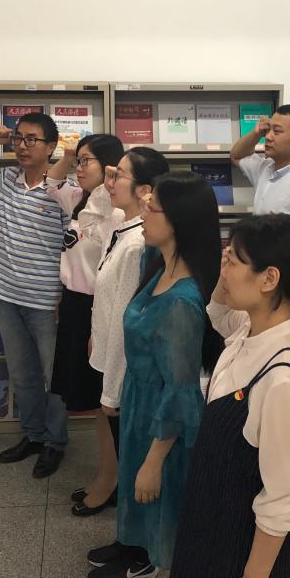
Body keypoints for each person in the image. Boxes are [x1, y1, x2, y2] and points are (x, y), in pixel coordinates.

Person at [166, 214, 290, 578]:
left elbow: (282, 495)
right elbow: (217, 311)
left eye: (232, 260)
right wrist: (229, 266)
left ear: (269, 279)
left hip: (244, 548)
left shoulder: (284, 378)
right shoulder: (249, 328)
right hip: (213, 519)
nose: (224, 268)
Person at [87, 172, 221, 578]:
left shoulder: (182, 302)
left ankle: (147, 557)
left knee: (151, 484)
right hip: (139, 398)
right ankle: (130, 541)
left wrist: (155, 459)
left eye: (153, 206)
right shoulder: (156, 263)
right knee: (132, 479)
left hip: (163, 412)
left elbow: (181, 391)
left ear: (178, 220)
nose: (142, 211)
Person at [0, 112, 73, 478]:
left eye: (31, 139)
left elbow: (73, 246)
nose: (22, 145)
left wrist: (64, 297)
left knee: (55, 379)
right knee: (23, 374)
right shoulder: (4, 179)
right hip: (7, 296)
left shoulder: (63, 189)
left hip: (47, 302)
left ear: (51, 147)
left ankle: (55, 443)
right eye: (18, 138)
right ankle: (34, 435)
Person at [69, 146, 170, 517]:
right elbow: (88, 217)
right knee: (110, 427)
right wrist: (110, 178)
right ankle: (109, 482)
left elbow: (126, 321)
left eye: (118, 176)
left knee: (123, 432)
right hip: (107, 350)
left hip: (122, 362)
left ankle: (124, 503)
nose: (109, 181)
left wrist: (111, 388)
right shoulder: (120, 223)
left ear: (145, 191)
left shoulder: (139, 244)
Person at [43, 134, 124, 499]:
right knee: (95, 401)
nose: (78, 167)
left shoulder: (117, 212)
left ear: (109, 167)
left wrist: (98, 326)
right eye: (79, 160)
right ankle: (108, 475)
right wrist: (70, 154)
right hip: (75, 306)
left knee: (107, 400)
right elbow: (51, 182)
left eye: (86, 160)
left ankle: (112, 481)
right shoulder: (79, 199)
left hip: (99, 309)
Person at [230, 104, 290, 239]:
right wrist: (256, 133)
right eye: (268, 130)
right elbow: (236, 156)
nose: (268, 137)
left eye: (276, 132)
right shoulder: (265, 167)